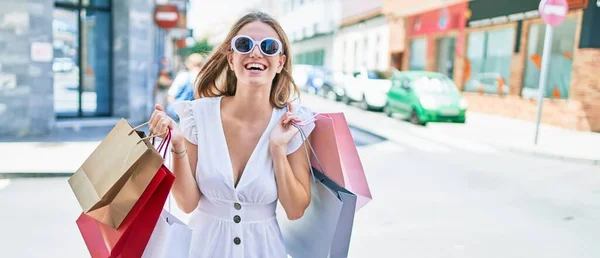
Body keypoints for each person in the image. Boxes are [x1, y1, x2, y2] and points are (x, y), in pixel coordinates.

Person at [149, 12, 315, 258]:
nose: (256, 53)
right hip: (202, 249)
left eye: (269, 47)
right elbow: (187, 203)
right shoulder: (198, 115)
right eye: (244, 44)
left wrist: (278, 149)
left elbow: (295, 210)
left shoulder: (292, 122)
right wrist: (177, 145)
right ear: (231, 58)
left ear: (280, 62)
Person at [165, 53, 204, 120]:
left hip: (185, 115)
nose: (197, 67)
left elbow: (171, 96)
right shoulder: (202, 77)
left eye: (198, 65)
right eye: (195, 65)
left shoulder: (184, 76)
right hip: (190, 116)